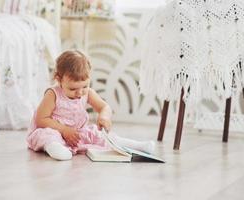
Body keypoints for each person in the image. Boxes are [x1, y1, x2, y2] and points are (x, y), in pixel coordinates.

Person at [27, 50, 155, 161]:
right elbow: (41, 119)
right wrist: (64, 130)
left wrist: (104, 117)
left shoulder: (87, 93)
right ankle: (55, 148)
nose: (80, 92)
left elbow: (104, 107)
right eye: (72, 89)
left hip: (77, 133)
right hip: (55, 130)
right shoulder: (53, 94)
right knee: (45, 135)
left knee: (98, 135)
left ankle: (136, 146)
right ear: (59, 79)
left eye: (85, 86)